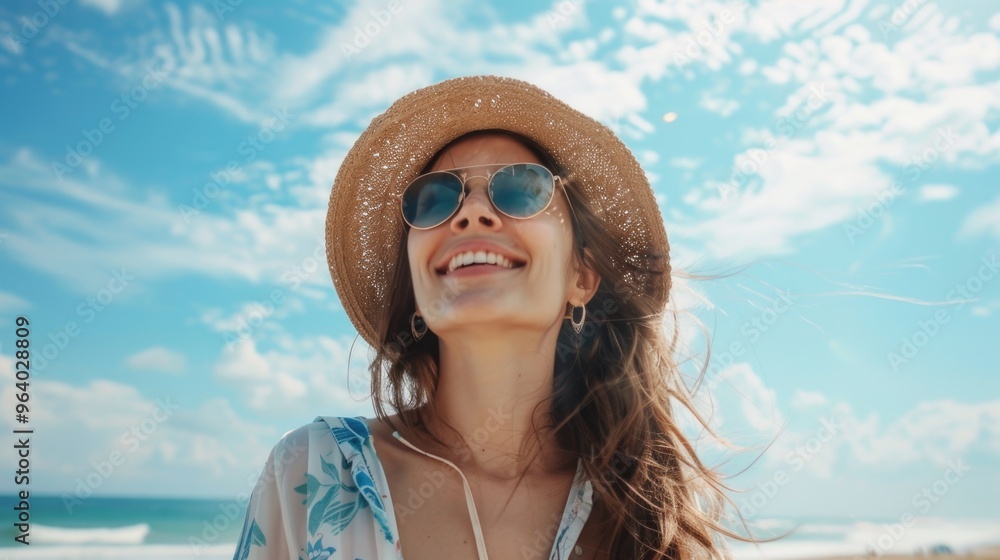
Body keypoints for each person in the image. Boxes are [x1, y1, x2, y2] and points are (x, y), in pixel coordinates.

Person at [233, 75, 736, 560]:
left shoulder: (645, 513)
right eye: (433, 199)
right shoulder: (311, 474)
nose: (471, 212)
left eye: (521, 189)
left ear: (581, 277)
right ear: (414, 292)